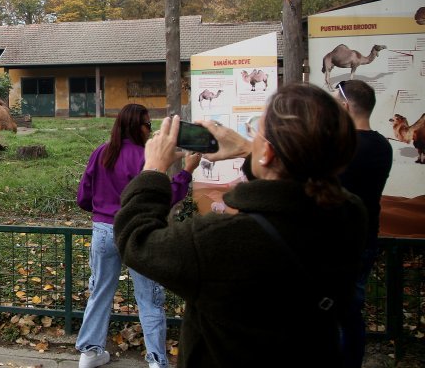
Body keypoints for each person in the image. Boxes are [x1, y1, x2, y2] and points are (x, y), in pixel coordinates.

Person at [113, 83, 367, 368]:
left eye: (257, 128)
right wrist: (251, 150)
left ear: (268, 153)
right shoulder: (349, 215)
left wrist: (154, 167)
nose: (252, 134)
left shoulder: (220, 241)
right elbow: (298, 183)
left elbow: (135, 239)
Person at [75, 103, 200, 368]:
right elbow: (164, 197)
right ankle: (156, 359)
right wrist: (186, 172)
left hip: (103, 232)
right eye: (147, 124)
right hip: (137, 232)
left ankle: (89, 352)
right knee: (150, 297)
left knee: (99, 291)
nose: (150, 129)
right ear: (136, 126)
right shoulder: (145, 157)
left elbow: (83, 196)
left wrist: (102, 212)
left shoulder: (101, 153)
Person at [334, 80, 393, 368]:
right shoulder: (383, 146)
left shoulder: (341, 148)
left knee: (332, 313)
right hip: (366, 239)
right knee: (351, 311)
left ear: (346, 106)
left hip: (335, 244)